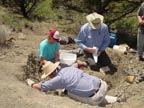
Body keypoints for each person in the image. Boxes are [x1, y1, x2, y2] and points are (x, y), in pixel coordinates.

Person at [26, 61, 126, 105]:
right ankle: (116, 99)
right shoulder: (68, 68)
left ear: (50, 74)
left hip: (94, 98)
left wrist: (30, 83)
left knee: (67, 91)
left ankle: (100, 101)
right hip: (103, 84)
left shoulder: (58, 79)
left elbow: (40, 86)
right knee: (92, 91)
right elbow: (75, 65)